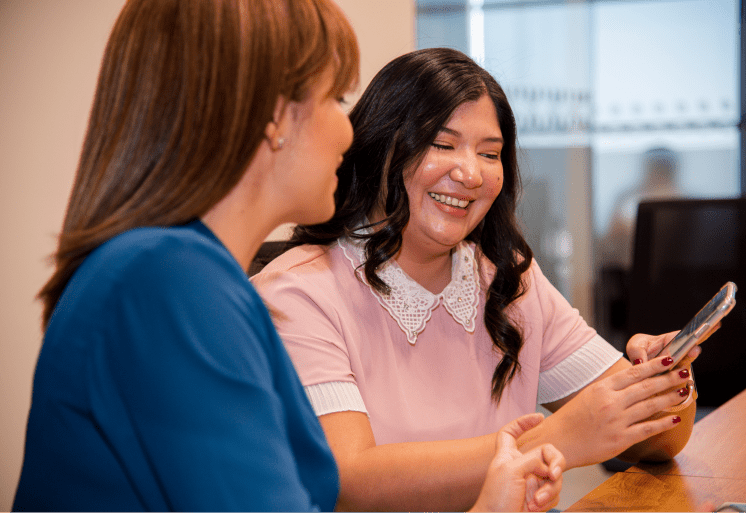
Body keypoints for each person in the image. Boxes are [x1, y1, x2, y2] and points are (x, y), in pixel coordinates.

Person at [13, 3, 564, 512]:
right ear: (274, 116)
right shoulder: (169, 284)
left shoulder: (189, 275)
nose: (349, 131)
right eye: (334, 99)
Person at [252, 47, 700, 512]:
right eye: (442, 145)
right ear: (380, 145)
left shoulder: (510, 280)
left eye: (490, 153)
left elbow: (662, 438)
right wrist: (558, 438)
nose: (469, 174)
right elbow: (349, 480)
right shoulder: (300, 292)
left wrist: (667, 382)